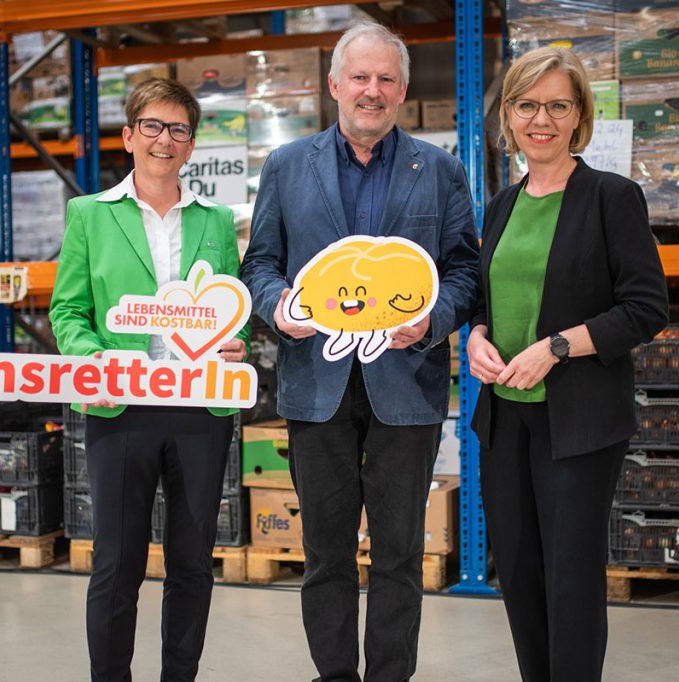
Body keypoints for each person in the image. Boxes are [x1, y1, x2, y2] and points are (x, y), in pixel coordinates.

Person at [240, 21, 479, 682]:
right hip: (315, 383)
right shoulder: (288, 166)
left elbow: (463, 270)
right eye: (360, 78)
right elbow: (260, 263)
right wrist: (278, 306)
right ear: (334, 85)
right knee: (325, 553)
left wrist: (433, 320)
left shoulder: (438, 169)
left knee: (400, 552)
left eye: (385, 79)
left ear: (401, 89)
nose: (371, 91)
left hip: (407, 383)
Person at [467, 46, 668, 681]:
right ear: (508, 115)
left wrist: (557, 346)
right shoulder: (502, 205)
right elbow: (486, 299)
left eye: (558, 105)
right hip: (505, 419)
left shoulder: (611, 197)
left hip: (578, 423)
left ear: (579, 114)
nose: (542, 119)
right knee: (521, 574)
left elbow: (645, 307)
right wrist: (474, 335)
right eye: (527, 105)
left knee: (571, 580)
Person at [49, 78, 248, 682]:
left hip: (199, 411)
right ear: (130, 136)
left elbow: (228, 306)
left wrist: (233, 341)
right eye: (153, 127)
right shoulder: (90, 215)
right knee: (117, 562)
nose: (166, 140)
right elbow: (67, 311)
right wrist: (95, 358)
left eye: (179, 130)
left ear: (192, 145)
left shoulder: (217, 220)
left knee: (192, 563)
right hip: (121, 407)